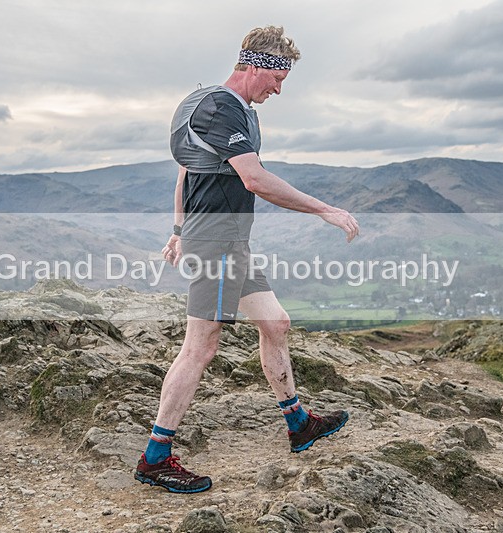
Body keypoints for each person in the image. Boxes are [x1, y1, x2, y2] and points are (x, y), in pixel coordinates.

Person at [134, 25, 360, 494]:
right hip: (216, 244)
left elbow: (185, 175)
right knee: (201, 346)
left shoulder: (228, 109)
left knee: (276, 323)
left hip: (228, 242)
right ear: (259, 66)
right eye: (279, 78)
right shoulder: (219, 107)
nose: (280, 89)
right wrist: (325, 209)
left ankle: (298, 424)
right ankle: (155, 458)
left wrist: (178, 230)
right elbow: (254, 179)